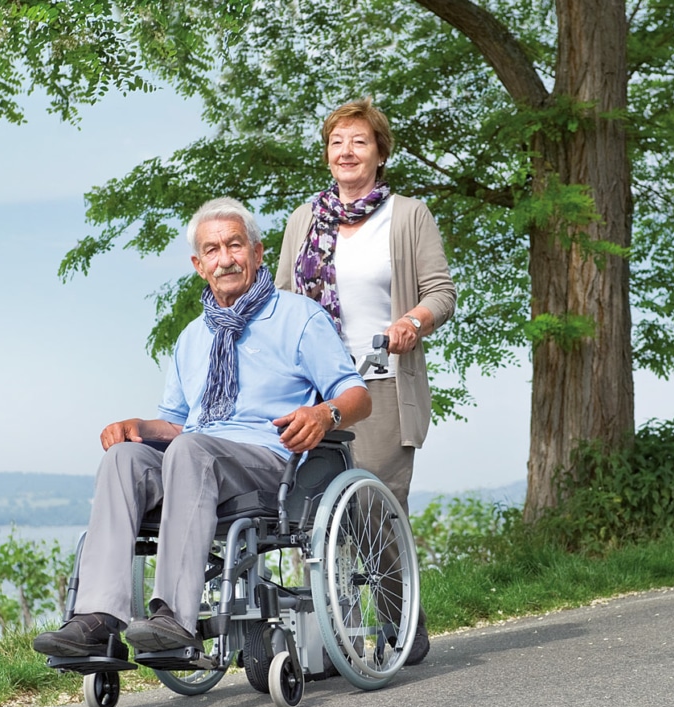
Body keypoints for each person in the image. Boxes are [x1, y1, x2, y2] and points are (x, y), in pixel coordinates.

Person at [33, 197, 371, 660]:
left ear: (257, 252)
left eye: (235, 245)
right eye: (212, 250)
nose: (225, 258)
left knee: (192, 450)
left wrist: (323, 414)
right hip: (195, 457)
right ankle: (98, 620)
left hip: (269, 461)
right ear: (198, 265)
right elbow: (175, 424)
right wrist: (138, 426)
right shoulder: (194, 336)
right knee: (124, 458)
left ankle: (173, 614)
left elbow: (356, 394)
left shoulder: (299, 317)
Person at [276, 98, 457, 665]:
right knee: (318, 518)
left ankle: (401, 619)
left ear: (379, 152)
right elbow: (280, 300)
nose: (346, 151)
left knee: (376, 510)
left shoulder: (406, 216)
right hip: (315, 386)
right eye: (336, 142)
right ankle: (336, 639)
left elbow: (440, 294)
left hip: (379, 381)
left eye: (358, 141)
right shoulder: (303, 220)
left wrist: (411, 322)